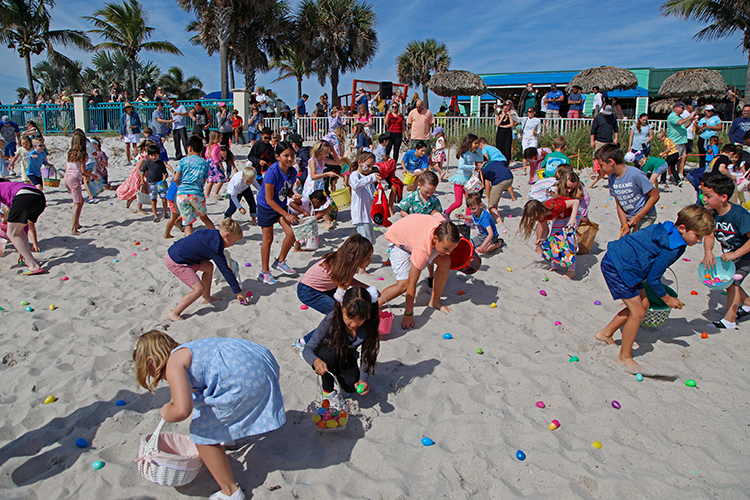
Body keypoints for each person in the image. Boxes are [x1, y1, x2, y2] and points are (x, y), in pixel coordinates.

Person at [132, 330, 284, 500]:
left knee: (201, 434)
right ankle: (229, 438)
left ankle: (230, 491)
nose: (154, 376)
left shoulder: (174, 363)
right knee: (209, 408)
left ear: (151, 361)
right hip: (260, 361)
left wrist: (166, 412)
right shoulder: (188, 350)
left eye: (147, 370)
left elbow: (182, 410)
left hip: (242, 378)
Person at [595, 205, 713, 372]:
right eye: (697, 236)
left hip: (625, 263)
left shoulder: (665, 227)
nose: (699, 241)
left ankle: (605, 333)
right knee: (638, 313)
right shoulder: (674, 247)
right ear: (682, 228)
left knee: (644, 305)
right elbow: (653, 279)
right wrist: (667, 298)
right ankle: (624, 357)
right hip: (620, 267)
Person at [302, 286, 380, 405]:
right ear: (342, 306)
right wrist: (315, 361)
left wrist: (363, 379)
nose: (354, 324)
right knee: (328, 354)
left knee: (351, 386)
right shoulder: (332, 320)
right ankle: (327, 392)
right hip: (329, 353)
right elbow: (308, 348)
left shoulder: (368, 327)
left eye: (360, 319)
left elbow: (366, 355)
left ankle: (340, 379)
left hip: (347, 357)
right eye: (350, 317)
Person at [380, 215, 460, 329]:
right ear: (436, 239)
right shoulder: (422, 249)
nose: (449, 252)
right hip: (398, 240)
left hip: (415, 235)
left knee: (446, 261)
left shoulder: (444, 227)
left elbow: (436, 212)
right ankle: (374, 304)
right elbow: (412, 282)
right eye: (446, 249)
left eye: (452, 249)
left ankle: (435, 302)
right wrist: (408, 314)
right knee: (403, 285)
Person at [165, 217, 245, 320]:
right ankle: (174, 313)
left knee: (208, 266)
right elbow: (225, 270)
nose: (232, 245)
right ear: (227, 236)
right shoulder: (215, 246)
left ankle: (206, 298)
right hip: (176, 262)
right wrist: (238, 292)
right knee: (198, 289)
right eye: (233, 241)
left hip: (177, 253)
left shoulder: (212, 234)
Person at [701, 175, 750, 329]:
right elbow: (709, 235)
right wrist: (708, 252)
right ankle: (748, 304)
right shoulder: (712, 213)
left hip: (746, 255)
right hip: (732, 255)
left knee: (732, 282)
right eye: (703, 195)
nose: (704, 199)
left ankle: (729, 321)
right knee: (729, 283)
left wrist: (735, 254)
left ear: (723, 197)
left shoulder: (740, 215)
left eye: (708, 196)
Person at [295, 234, 373, 321]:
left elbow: (348, 280)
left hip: (326, 288)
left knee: (348, 309)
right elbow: (341, 293)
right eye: (368, 257)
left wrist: (367, 288)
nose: (370, 260)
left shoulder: (347, 262)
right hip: (309, 291)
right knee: (338, 315)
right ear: (357, 257)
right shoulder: (340, 267)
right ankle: (315, 335)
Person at [257, 141, 299, 285]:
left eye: (292, 155)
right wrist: (286, 214)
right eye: (285, 155)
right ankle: (264, 272)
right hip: (266, 207)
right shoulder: (272, 172)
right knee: (267, 239)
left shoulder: (293, 172)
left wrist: (294, 195)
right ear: (277, 156)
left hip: (280, 205)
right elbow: (269, 200)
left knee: (292, 233)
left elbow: (287, 191)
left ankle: (280, 261)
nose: (289, 158)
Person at [596, 143, 659, 234]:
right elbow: (619, 205)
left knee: (638, 242)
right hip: (628, 217)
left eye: (602, 165)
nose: (601, 168)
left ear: (611, 162)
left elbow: (655, 196)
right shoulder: (612, 179)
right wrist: (624, 225)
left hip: (645, 216)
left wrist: (638, 216)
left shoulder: (635, 174)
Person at [0, 179, 46, 274]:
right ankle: (29, 260)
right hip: (40, 198)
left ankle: (34, 265)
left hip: (24, 197)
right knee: (18, 231)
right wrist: (22, 251)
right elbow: (23, 228)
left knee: (11, 232)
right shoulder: (11, 186)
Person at [174, 136, 215, 236]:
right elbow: (204, 181)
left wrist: (181, 185)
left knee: (187, 223)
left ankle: (189, 244)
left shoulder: (183, 161)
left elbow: (175, 178)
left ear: (189, 148)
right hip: (196, 193)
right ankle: (215, 238)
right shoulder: (205, 164)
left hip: (182, 194)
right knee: (204, 217)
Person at [478, 139, 516, 222]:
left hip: (500, 182)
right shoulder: (494, 162)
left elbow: (481, 184)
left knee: (491, 206)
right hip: (510, 178)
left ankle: (499, 222)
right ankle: (513, 198)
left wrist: (479, 197)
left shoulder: (483, 168)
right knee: (495, 197)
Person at [445, 134, 483, 217]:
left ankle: (467, 220)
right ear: (469, 143)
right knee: (458, 202)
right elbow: (461, 166)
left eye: (478, 143)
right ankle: (447, 212)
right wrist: (474, 167)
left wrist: (478, 150)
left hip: (468, 182)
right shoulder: (464, 154)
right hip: (460, 180)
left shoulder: (472, 154)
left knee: (469, 202)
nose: (477, 145)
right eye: (475, 143)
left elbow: (481, 158)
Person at [349, 151, 380, 243]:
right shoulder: (355, 175)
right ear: (360, 162)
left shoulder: (367, 177)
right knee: (365, 242)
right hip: (360, 215)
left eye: (372, 166)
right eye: (368, 165)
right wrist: (371, 177)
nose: (370, 169)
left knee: (371, 241)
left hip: (368, 215)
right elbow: (355, 185)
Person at [666, 101, 697, 182]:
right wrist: (690, 116)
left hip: (682, 141)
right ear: (676, 107)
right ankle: (669, 175)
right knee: (672, 159)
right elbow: (679, 122)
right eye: (682, 108)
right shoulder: (672, 116)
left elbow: (684, 125)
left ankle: (680, 173)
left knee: (681, 159)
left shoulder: (679, 117)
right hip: (674, 142)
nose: (683, 110)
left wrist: (692, 120)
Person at [141, 144, 170, 222]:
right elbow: (143, 171)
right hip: (151, 183)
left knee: (164, 199)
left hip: (160, 183)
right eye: (151, 155)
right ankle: (155, 215)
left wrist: (165, 177)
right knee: (153, 200)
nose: (153, 157)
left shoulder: (161, 163)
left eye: (155, 155)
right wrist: (142, 179)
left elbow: (165, 173)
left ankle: (165, 213)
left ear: (158, 154)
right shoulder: (147, 163)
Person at [697, 104, 722, 170]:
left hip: (712, 139)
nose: (710, 112)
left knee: (713, 154)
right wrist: (702, 128)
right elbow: (698, 131)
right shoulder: (702, 119)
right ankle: (702, 169)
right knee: (702, 155)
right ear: (705, 111)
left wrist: (711, 127)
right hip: (703, 138)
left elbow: (720, 127)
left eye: (711, 111)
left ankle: (713, 168)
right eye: (708, 111)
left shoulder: (716, 118)